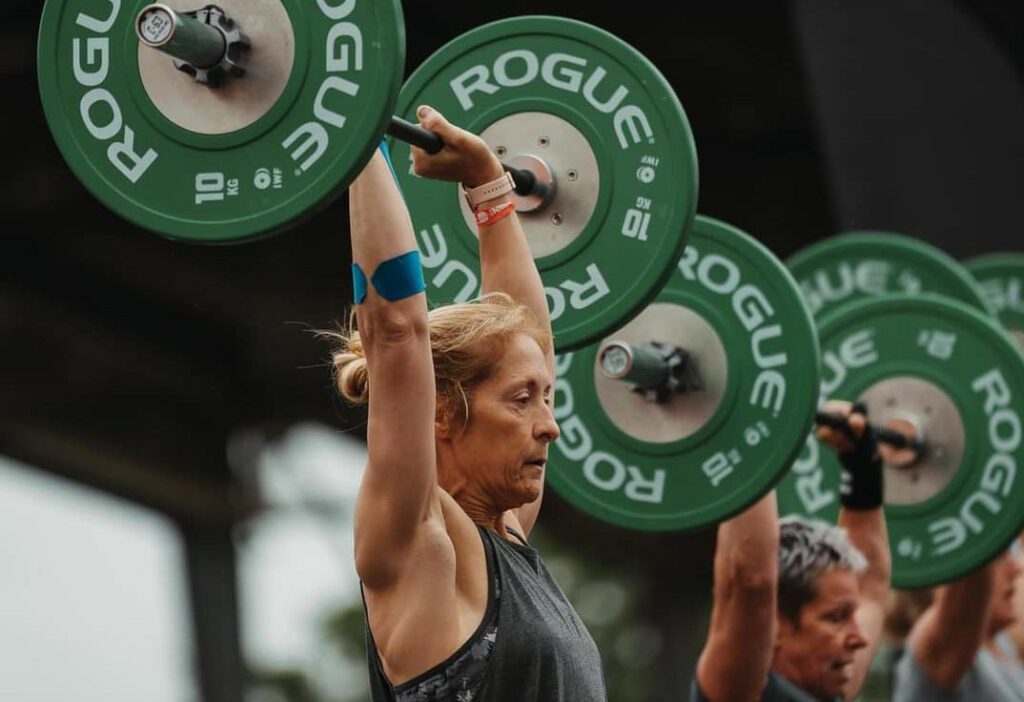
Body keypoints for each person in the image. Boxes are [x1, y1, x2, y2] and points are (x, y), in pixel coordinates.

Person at [327, 106, 607, 701]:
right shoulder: (420, 544)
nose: (550, 426)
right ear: (443, 411)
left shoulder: (507, 534)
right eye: (522, 400)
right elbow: (398, 331)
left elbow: (531, 335)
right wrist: (358, 131)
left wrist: (489, 186)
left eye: (547, 399)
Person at [692, 401, 893, 702]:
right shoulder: (738, 690)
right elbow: (752, 579)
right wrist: (743, 424)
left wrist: (862, 464)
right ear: (775, 625)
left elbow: (872, 586)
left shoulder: (831, 688)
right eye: (837, 617)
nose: (860, 638)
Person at [891, 547, 1024, 701]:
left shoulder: (1001, 643)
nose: (1016, 568)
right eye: (999, 558)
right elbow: (972, 552)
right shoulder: (944, 652)